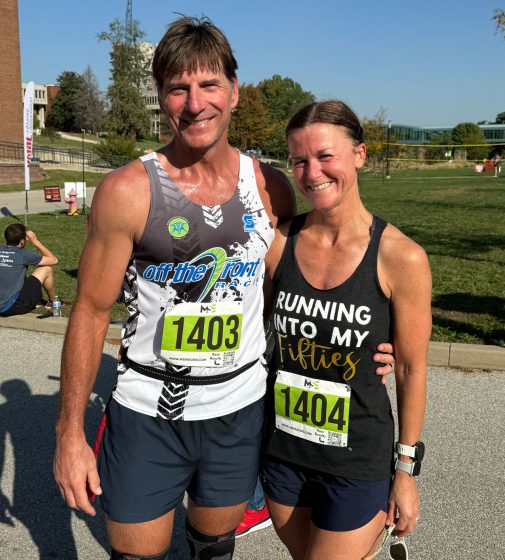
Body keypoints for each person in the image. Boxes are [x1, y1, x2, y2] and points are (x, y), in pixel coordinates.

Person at [53, 17, 394, 560]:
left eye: (209, 85)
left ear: (233, 92)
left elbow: (307, 282)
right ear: (161, 98)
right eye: (178, 88)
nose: (195, 103)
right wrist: (69, 434)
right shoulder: (126, 191)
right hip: (148, 410)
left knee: (213, 546)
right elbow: (91, 312)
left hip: (238, 408)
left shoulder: (270, 186)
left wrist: (378, 337)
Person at [261, 100, 432, 560]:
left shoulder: (401, 257)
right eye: (298, 160)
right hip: (283, 454)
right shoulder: (279, 242)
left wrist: (406, 472)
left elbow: (412, 370)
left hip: (357, 461)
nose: (311, 172)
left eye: (325, 156)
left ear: (359, 154)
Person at [0, 223, 59, 317]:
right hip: (10, 308)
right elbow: (54, 260)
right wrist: (35, 242)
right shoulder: (23, 254)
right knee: (46, 269)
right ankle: (54, 302)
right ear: (22, 242)